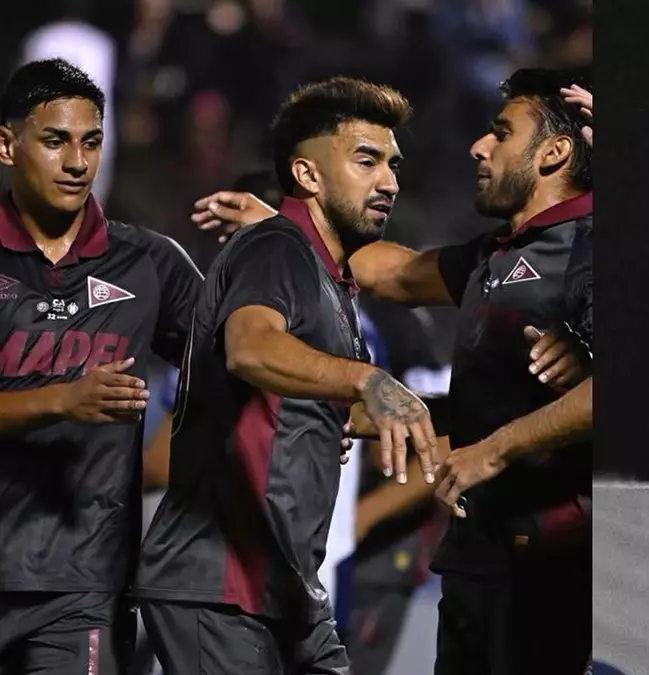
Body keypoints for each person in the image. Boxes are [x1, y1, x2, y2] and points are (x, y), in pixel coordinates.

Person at [192, 67, 595, 675]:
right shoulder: (499, 254)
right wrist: (295, 224)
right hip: (477, 558)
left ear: (555, 152)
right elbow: (394, 275)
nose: (478, 147)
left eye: (501, 133)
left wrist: (494, 450)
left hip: (556, 559)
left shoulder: (593, 243)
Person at [134, 76, 439, 675]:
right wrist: (366, 380)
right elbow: (251, 348)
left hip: (287, 588)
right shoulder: (275, 249)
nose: (390, 182)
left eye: (394, 165)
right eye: (367, 160)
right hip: (220, 583)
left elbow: (325, 405)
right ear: (307, 175)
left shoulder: (332, 282)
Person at [0, 58, 202, 674]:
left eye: (90, 142)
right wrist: (61, 399)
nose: (77, 163)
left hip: (84, 584)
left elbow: (235, 360)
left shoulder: (151, 263)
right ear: (7, 145)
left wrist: (311, 417)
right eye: (55, 141)